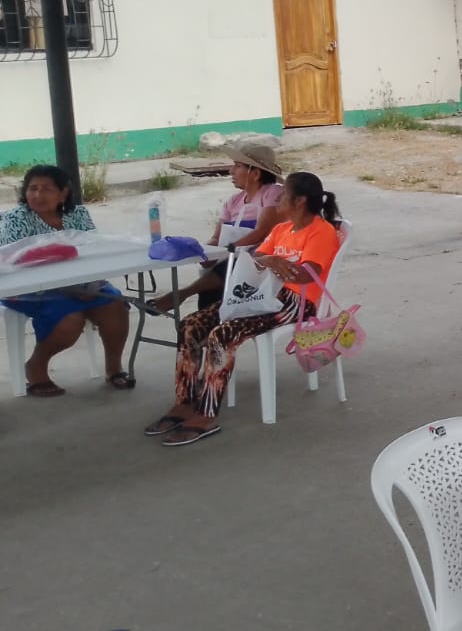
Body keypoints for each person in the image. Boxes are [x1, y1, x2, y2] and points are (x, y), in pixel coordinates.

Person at [145, 171, 343, 446]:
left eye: (284, 195)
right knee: (190, 325)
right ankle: (184, 401)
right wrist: (271, 261)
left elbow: (305, 275)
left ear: (299, 201)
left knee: (222, 334)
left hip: (295, 303)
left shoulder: (321, 231)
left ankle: (206, 414)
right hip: (261, 294)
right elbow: (257, 255)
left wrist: (274, 263)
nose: (278, 200)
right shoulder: (281, 229)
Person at [0, 164, 132, 396]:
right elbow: (15, 263)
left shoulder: (77, 214)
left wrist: (88, 283)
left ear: (63, 193)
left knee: (115, 306)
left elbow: (93, 251)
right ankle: (36, 366)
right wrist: (66, 286)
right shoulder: (16, 218)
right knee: (70, 319)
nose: (38, 195)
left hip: (81, 284)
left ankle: (114, 368)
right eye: (33, 188)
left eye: (46, 189)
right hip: (30, 289)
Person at [151, 144, 286, 313]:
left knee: (232, 266)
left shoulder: (272, 193)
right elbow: (217, 237)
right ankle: (202, 321)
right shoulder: (233, 201)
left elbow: (262, 232)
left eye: (237, 166)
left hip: (264, 260)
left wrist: (229, 249)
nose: (231, 171)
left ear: (256, 173)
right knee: (211, 286)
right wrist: (205, 252)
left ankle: (183, 293)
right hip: (231, 258)